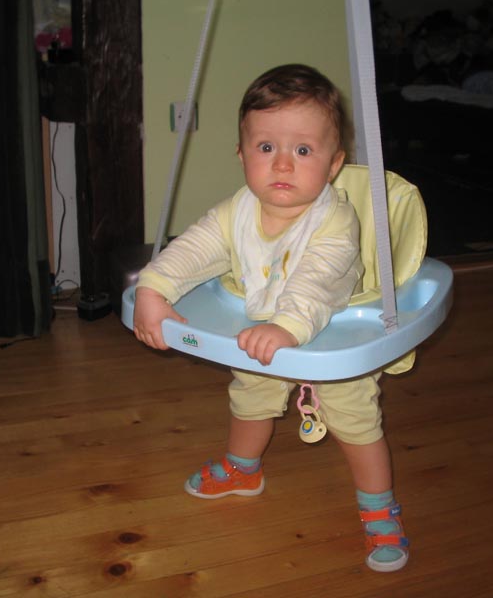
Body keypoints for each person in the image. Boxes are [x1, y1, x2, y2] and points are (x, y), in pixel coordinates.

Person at [133, 64, 409, 573]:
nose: (282, 163)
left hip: (332, 332)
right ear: (242, 155)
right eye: (266, 147)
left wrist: (287, 327)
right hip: (262, 329)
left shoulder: (335, 220)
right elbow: (195, 248)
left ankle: (379, 508)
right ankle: (243, 469)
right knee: (250, 399)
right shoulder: (237, 211)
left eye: (303, 150)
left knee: (356, 423)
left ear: (333, 164)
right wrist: (154, 287)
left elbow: (317, 280)